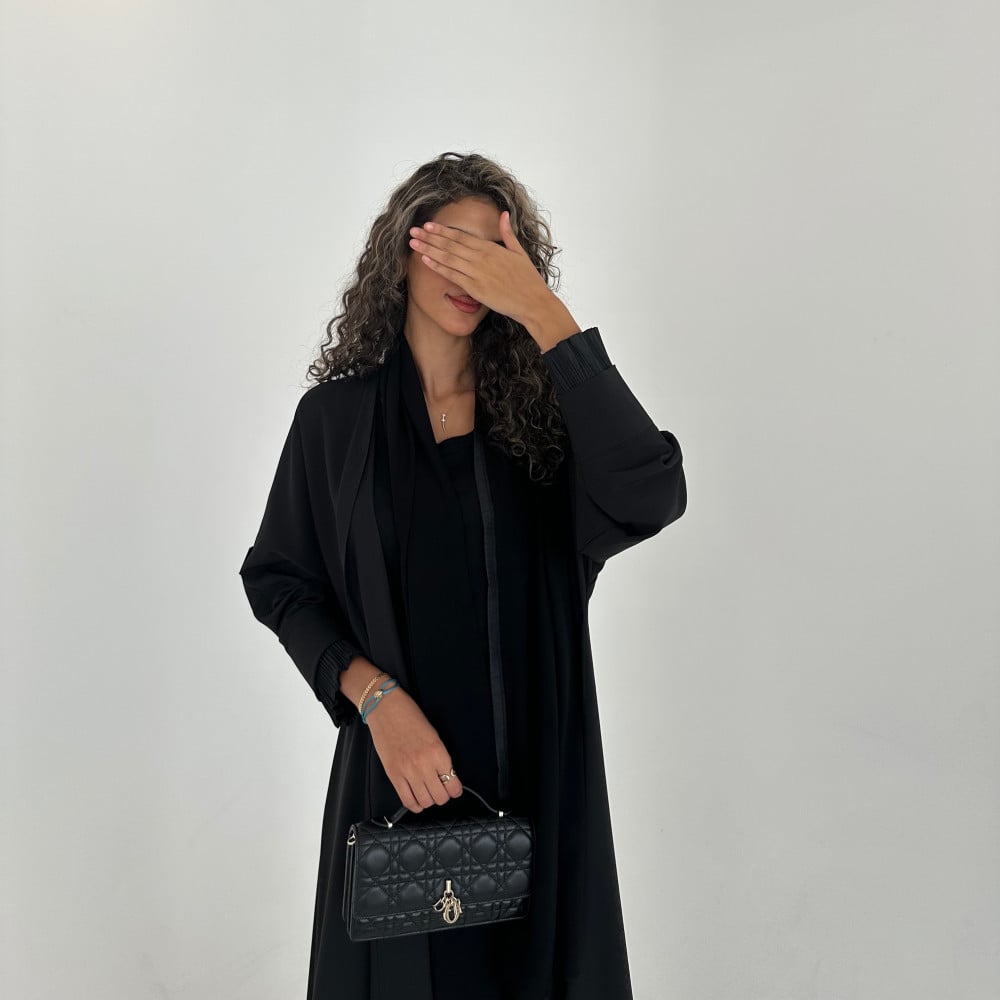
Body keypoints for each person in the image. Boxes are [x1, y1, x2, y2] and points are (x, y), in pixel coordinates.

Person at [238, 150, 687, 1000]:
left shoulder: (545, 427)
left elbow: (652, 492)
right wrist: (374, 698)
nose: (472, 272)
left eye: (497, 254)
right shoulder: (335, 423)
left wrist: (548, 316)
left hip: (539, 781)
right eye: (453, 245)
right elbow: (279, 580)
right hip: (398, 785)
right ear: (404, 250)